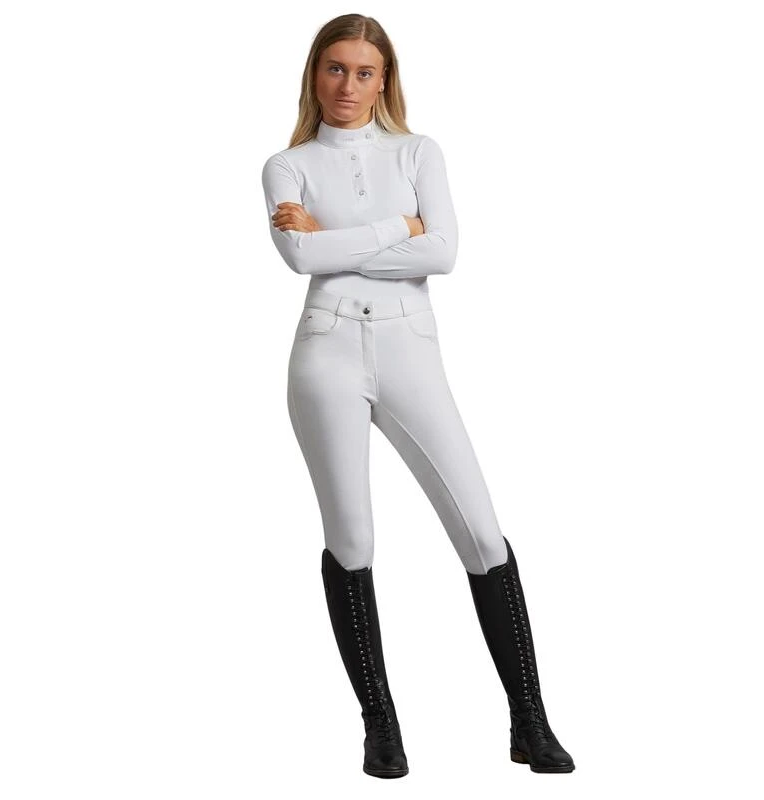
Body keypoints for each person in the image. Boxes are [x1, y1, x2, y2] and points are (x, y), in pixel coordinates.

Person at [260, 13, 575, 779]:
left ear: (384, 81)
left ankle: (530, 722)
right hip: (325, 352)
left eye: (364, 72)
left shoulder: (418, 152)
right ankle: (382, 729)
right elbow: (299, 256)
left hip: (411, 349)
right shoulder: (286, 166)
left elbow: (444, 251)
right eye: (336, 68)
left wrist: (343, 239)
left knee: (482, 534)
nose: (348, 85)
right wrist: (398, 227)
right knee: (353, 540)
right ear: (315, 74)